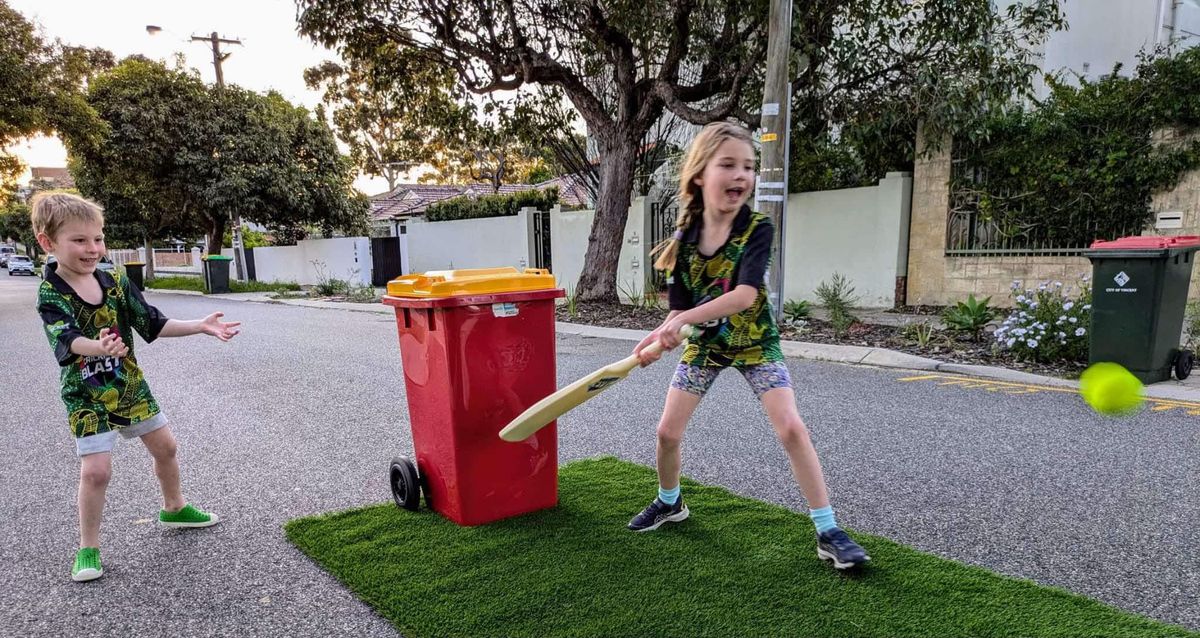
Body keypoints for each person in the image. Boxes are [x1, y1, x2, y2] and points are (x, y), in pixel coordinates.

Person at [627, 122, 870, 569]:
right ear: (700, 174)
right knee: (666, 433)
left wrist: (680, 321)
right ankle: (670, 502)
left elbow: (745, 296)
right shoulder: (683, 242)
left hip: (757, 344)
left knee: (792, 428)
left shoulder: (758, 228)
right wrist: (655, 341)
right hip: (706, 346)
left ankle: (828, 528)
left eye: (749, 167)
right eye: (729, 165)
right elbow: (676, 312)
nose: (742, 175)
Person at [32, 193, 241, 582]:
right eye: (79, 240)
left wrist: (200, 325)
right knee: (97, 472)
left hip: (128, 384)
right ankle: (87, 548)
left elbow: (152, 323)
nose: (92, 249)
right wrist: (98, 347)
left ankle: (174, 507)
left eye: (98, 238)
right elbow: (67, 340)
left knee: (167, 447)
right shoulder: (51, 292)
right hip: (86, 393)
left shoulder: (115, 281)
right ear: (48, 243)